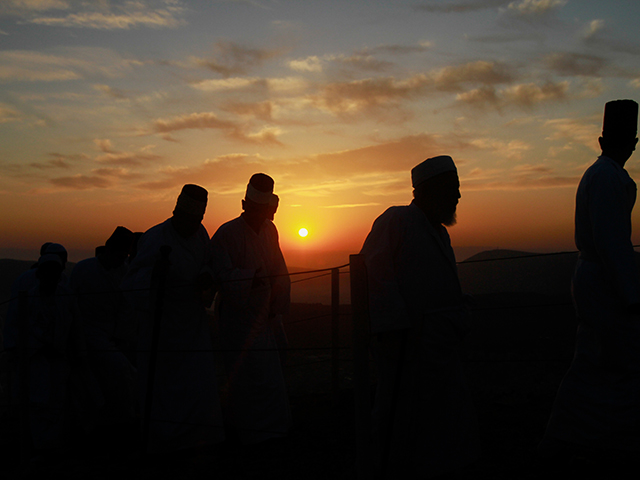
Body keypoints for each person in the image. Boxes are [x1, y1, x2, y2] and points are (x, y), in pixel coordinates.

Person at [359, 156, 479, 479]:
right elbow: (375, 276)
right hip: (406, 348)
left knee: (441, 420)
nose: (457, 196)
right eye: (451, 189)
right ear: (427, 191)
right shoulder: (395, 222)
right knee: (400, 417)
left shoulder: (441, 234)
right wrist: (394, 329)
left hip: (438, 348)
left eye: (458, 188)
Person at [541, 100, 640, 458]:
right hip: (605, 283)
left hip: (598, 278)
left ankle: (577, 432)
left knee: (596, 359)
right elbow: (611, 242)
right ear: (632, 142)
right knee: (611, 359)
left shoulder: (602, 174)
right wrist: (631, 295)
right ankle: (591, 436)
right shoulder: (607, 177)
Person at [122, 184, 224, 453]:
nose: (194, 225)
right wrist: (154, 275)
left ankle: (199, 439)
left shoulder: (201, 235)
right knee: (162, 388)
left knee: (198, 381)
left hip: (192, 322)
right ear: (176, 213)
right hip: (162, 325)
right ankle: (161, 442)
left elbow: (209, 263)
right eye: (189, 220)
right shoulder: (155, 239)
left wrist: (206, 275)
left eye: (197, 220)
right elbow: (131, 283)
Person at [211, 173, 291, 445]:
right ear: (245, 205)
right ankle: (247, 433)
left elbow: (278, 266)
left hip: (266, 315)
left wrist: (276, 302)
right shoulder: (226, 233)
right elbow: (220, 273)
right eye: (256, 209)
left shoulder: (271, 230)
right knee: (245, 377)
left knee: (272, 374)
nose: (261, 215)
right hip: (238, 318)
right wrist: (249, 279)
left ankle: (273, 430)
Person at [69, 227, 137, 424]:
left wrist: (121, 336)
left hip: (115, 336)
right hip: (87, 333)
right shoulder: (83, 270)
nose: (121, 260)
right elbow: (71, 307)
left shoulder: (124, 271)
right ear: (108, 250)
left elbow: (126, 308)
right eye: (119, 255)